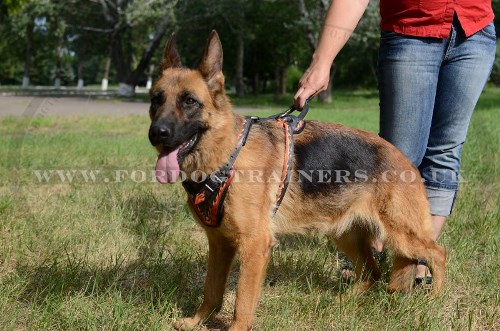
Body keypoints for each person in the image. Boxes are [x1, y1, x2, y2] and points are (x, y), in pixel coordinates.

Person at [294, 0, 496, 284]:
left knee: (446, 151)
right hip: (411, 31)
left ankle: (417, 258)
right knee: (397, 155)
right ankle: (373, 252)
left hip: (474, 32)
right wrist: (322, 61)